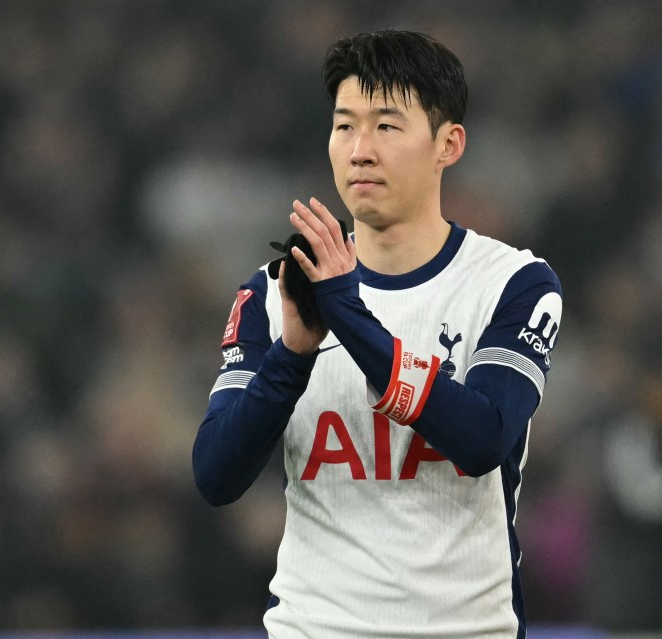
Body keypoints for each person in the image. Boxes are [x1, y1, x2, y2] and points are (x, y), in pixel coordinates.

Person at [192, 30, 563, 638]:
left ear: (449, 144)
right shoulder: (274, 293)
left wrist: (349, 315)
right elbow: (215, 475)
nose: (360, 150)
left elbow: (483, 439)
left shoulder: (513, 284)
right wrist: (292, 354)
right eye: (345, 126)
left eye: (387, 127)